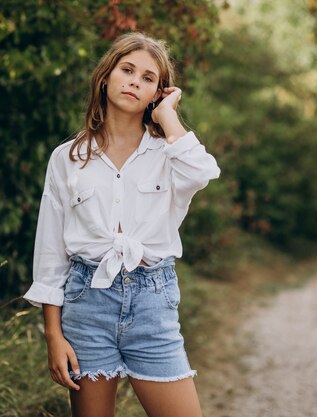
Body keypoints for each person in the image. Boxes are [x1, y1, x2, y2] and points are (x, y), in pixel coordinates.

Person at [23, 32, 220, 417]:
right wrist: (53, 334)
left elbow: (203, 171)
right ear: (106, 77)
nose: (134, 81)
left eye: (148, 78)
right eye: (127, 70)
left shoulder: (170, 154)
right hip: (86, 304)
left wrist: (169, 117)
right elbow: (50, 251)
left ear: (157, 93)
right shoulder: (68, 157)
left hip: (153, 302)